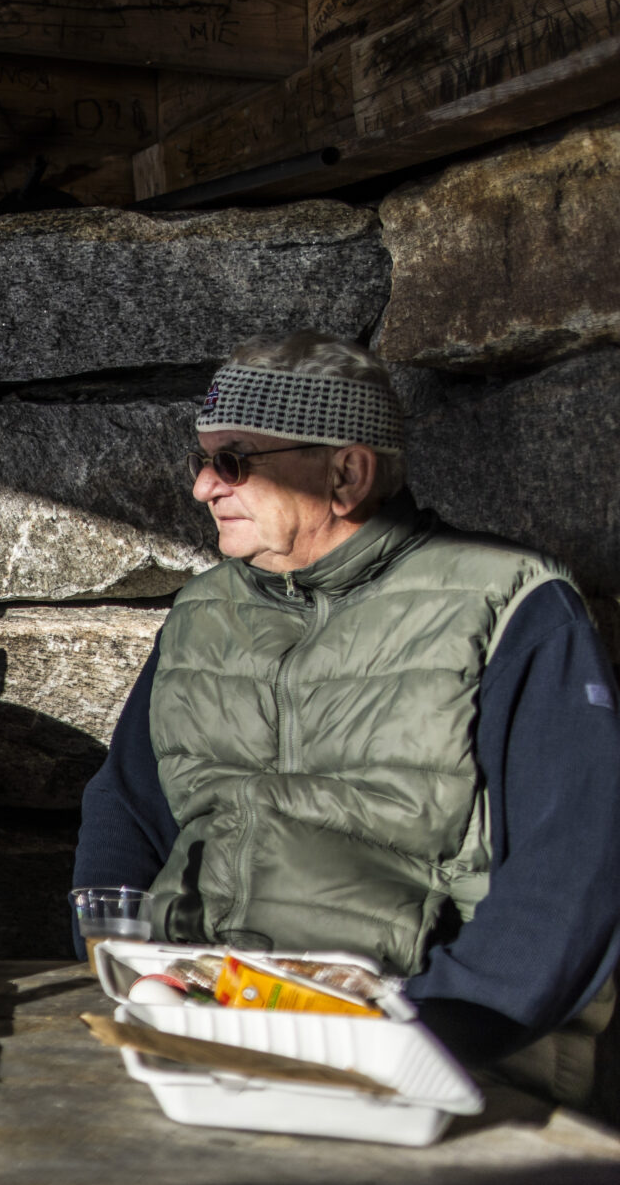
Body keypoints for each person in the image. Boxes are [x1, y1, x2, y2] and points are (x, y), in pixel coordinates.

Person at [74, 331, 620, 1109]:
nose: (202, 486)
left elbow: (577, 860)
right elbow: (125, 804)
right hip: (203, 1016)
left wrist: (434, 1030)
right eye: (201, 459)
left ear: (346, 473)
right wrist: (125, 962)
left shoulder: (512, 605)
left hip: (425, 1036)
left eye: (233, 460)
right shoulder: (202, 614)